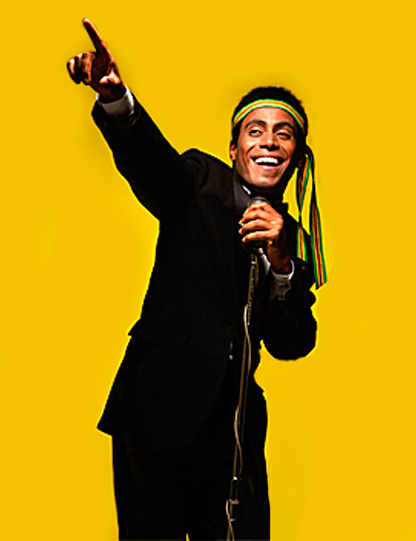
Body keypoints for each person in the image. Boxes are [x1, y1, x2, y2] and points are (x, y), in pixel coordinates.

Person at [67, 19, 326, 541]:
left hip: (234, 437)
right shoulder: (199, 182)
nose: (269, 141)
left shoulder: (295, 240)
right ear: (234, 149)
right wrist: (116, 100)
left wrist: (281, 264)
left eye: (284, 133)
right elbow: (152, 165)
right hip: (158, 416)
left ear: (297, 157)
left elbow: (292, 343)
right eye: (255, 130)